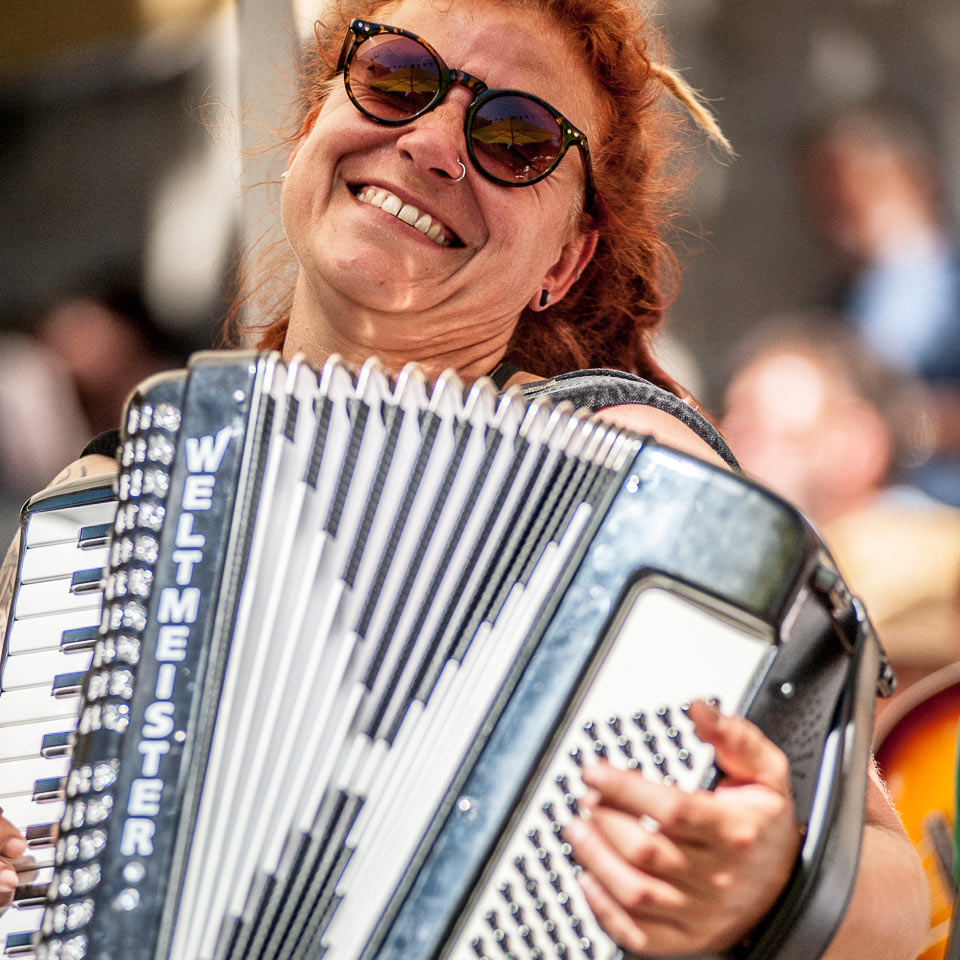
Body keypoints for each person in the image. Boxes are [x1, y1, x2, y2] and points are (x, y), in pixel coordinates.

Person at [0, 1, 928, 957]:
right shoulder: (108, 502)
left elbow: (899, 893)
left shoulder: (641, 479)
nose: (435, 142)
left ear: (564, 262)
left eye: (517, 139)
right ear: (316, 123)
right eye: (396, 78)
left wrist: (764, 890)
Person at [721, 315, 960, 701]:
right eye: (727, 427)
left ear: (857, 446)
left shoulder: (926, 552)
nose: (730, 453)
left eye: (757, 429)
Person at [799, 103, 960, 508]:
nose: (841, 205)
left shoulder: (939, 281)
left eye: (858, 183)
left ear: (912, 179)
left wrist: (914, 423)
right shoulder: (842, 299)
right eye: (828, 192)